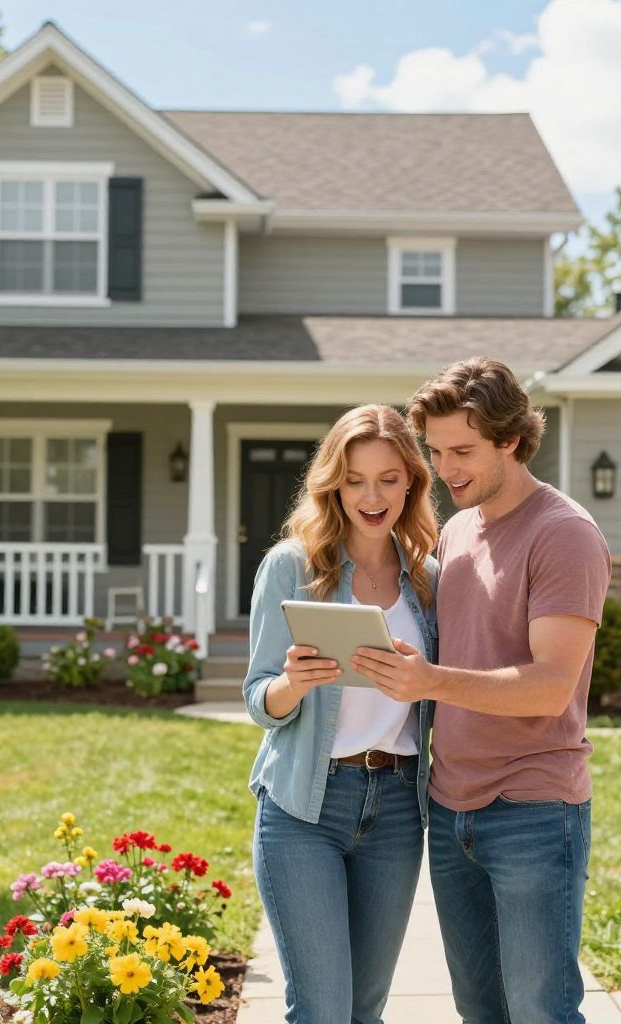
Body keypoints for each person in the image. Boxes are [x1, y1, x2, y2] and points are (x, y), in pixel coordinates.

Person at [352, 358, 612, 1024]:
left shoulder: (565, 535)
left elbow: (551, 687)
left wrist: (431, 681)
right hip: (450, 806)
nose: (447, 469)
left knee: (540, 1012)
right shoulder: (459, 531)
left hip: (531, 807)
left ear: (512, 439)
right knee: (480, 1013)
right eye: (436, 453)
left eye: (463, 451)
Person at [243, 404, 439, 1024]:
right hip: (305, 807)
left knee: (365, 1010)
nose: (372, 495)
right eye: (355, 480)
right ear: (334, 483)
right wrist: (293, 685)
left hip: (399, 808)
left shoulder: (429, 580)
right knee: (323, 1010)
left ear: (411, 480)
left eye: (387, 478)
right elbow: (257, 697)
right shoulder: (293, 567)